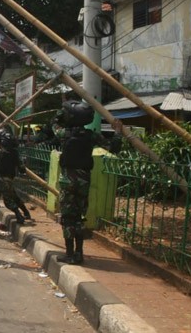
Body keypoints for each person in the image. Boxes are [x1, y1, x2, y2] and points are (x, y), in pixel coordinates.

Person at [52, 100, 122, 265]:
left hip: (68, 181)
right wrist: (117, 132)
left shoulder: (64, 134)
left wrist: (60, 114)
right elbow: (114, 148)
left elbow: (54, 123)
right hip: (84, 181)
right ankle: (79, 253)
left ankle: (69, 254)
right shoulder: (92, 136)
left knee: (68, 219)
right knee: (79, 218)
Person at [0, 129, 31, 236]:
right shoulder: (15, 154)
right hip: (8, 180)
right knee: (10, 200)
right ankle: (19, 215)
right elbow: (22, 169)